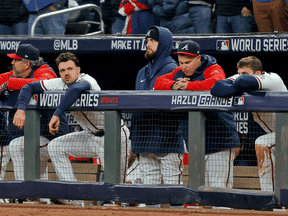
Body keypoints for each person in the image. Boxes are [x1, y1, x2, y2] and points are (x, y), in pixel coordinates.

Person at [13, 52, 131, 205]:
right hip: (90, 136)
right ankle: (74, 196)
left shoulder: (87, 80)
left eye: (69, 69)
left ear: (78, 70)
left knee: (116, 190)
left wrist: (57, 114)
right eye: (62, 70)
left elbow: (76, 90)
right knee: (56, 146)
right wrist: (21, 109)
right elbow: (28, 87)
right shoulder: (58, 83)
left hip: (114, 135)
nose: (66, 73)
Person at [154, 40, 241, 188]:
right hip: (196, 144)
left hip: (219, 141)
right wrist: (174, 85)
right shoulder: (179, 72)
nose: (184, 66)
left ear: (198, 59)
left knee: (219, 192)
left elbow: (216, 83)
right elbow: (158, 82)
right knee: (201, 195)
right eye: (181, 62)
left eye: (188, 62)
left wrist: (189, 86)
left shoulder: (212, 67)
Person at [0, 44, 69, 204]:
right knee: (21, 148)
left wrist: (10, 85)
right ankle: (28, 195)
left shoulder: (46, 71)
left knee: (19, 147)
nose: (12, 63)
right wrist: (6, 82)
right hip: (39, 138)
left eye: (15, 60)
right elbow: (4, 77)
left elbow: (41, 82)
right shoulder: (20, 72)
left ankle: (68, 195)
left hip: (56, 137)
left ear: (27, 64)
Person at [210, 56, 287, 191]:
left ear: (257, 73)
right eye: (239, 73)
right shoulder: (241, 77)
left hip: (285, 130)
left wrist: (236, 87)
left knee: (263, 143)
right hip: (279, 133)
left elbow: (245, 81)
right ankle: (272, 197)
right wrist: (239, 85)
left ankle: (271, 196)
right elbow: (216, 88)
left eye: (244, 73)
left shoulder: (272, 79)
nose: (240, 77)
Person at [130, 26, 185, 199]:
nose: (148, 44)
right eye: (147, 41)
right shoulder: (141, 72)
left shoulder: (174, 70)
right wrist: (135, 139)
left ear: (163, 44)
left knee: (173, 193)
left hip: (167, 140)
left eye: (153, 41)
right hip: (145, 141)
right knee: (149, 194)